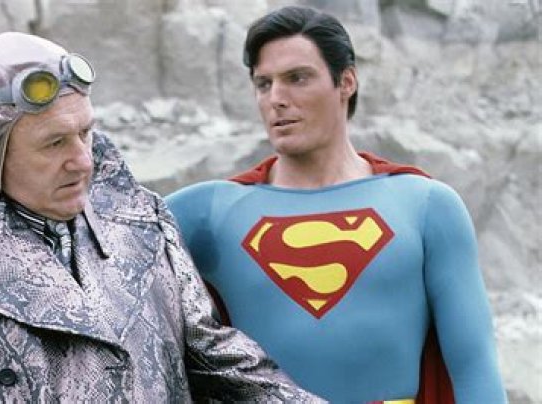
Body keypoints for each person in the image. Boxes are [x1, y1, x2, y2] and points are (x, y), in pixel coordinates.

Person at [0, 32, 325, 403]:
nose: (83, 161)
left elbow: (221, 362)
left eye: (85, 133)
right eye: (54, 143)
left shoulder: (143, 217)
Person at [166, 5, 507, 403]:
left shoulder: (426, 206)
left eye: (297, 78)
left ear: (346, 82)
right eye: (263, 83)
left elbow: (474, 368)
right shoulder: (206, 213)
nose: (277, 98)